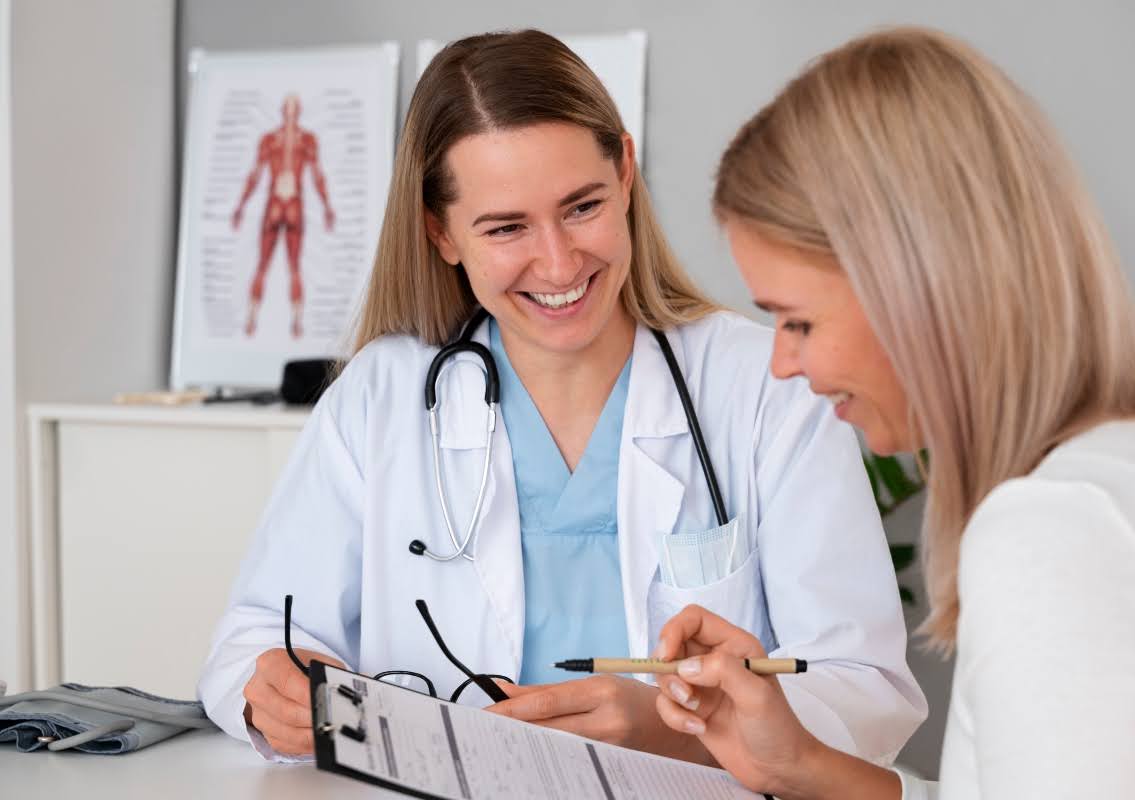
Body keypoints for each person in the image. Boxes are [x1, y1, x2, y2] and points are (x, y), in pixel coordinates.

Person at [197, 30, 926, 764]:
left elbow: (863, 688)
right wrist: (275, 694)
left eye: (581, 207)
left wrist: (671, 729)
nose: (558, 261)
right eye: (507, 227)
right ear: (440, 232)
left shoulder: (764, 383)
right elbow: (255, 640)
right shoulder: (380, 400)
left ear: (627, 172)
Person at [651, 26, 1135, 799]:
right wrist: (804, 767)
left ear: (916, 287)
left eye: (798, 321)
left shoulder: (1056, 534)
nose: (783, 364)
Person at [231, 93, 335, 339]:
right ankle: (254, 318)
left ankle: (293, 322)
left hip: (285, 203)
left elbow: (317, 175)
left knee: (290, 266)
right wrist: (241, 206)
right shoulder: (276, 140)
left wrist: (328, 206)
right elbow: (255, 175)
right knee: (269, 265)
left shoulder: (302, 140)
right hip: (281, 202)